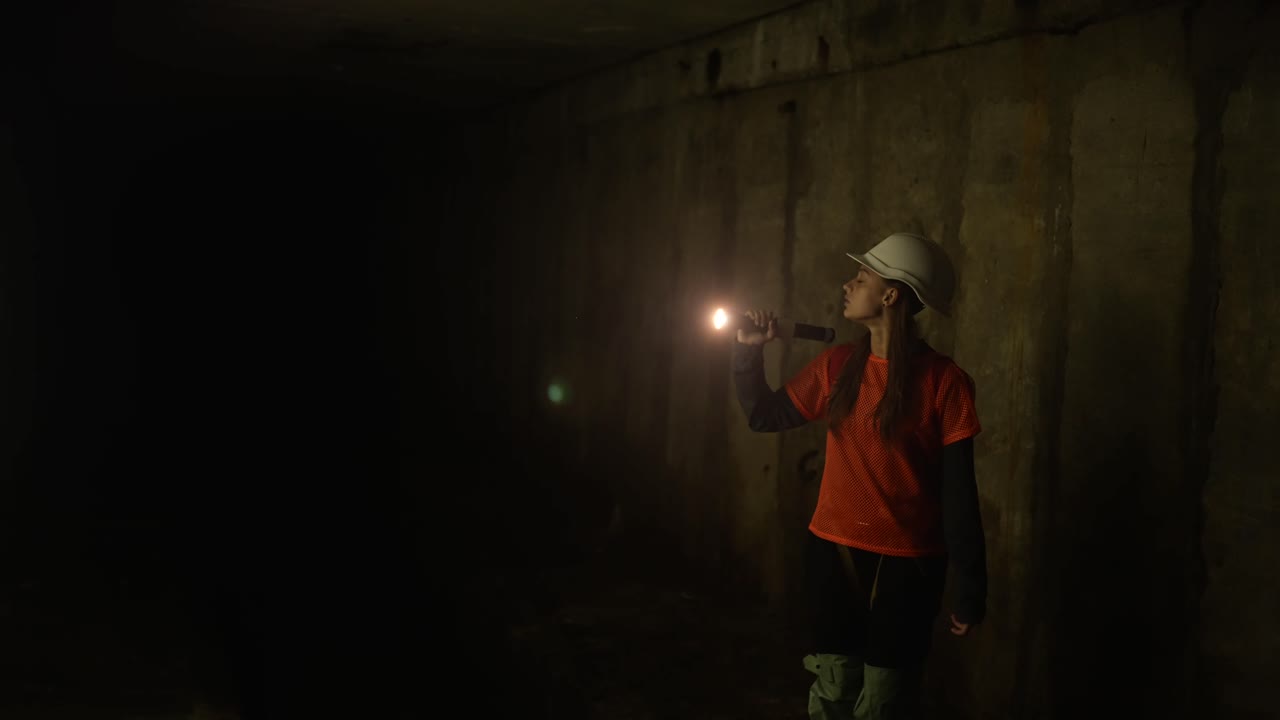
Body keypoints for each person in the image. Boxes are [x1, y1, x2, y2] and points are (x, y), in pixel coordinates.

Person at [732, 232, 986, 719]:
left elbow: (959, 495)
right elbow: (763, 415)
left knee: (884, 703)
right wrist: (747, 352)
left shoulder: (943, 383)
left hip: (906, 571)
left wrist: (971, 589)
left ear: (891, 295)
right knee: (831, 694)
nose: (848, 284)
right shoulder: (839, 366)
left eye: (862, 277)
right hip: (833, 554)